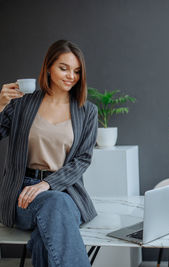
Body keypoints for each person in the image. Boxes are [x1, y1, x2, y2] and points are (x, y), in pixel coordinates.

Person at [0, 40, 98, 266]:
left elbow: (83, 159)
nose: (70, 76)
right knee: (55, 212)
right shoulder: (22, 102)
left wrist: (47, 184)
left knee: (54, 208)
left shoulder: (87, 111)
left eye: (76, 71)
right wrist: (0, 105)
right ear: (48, 67)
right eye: (63, 68)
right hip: (21, 191)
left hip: (66, 192)